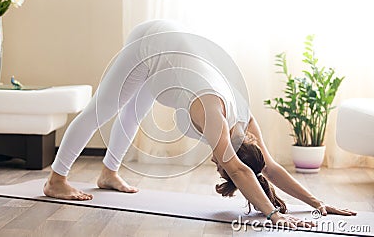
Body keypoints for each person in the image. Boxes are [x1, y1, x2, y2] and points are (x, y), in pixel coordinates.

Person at [43, 20, 356, 228]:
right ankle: (56, 180)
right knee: (102, 110)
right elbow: (240, 170)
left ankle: (108, 173)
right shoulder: (217, 119)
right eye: (219, 166)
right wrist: (275, 216)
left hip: (173, 60)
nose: (215, 163)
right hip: (149, 42)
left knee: (133, 113)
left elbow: (269, 167)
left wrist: (318, 203)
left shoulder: (245, 125)